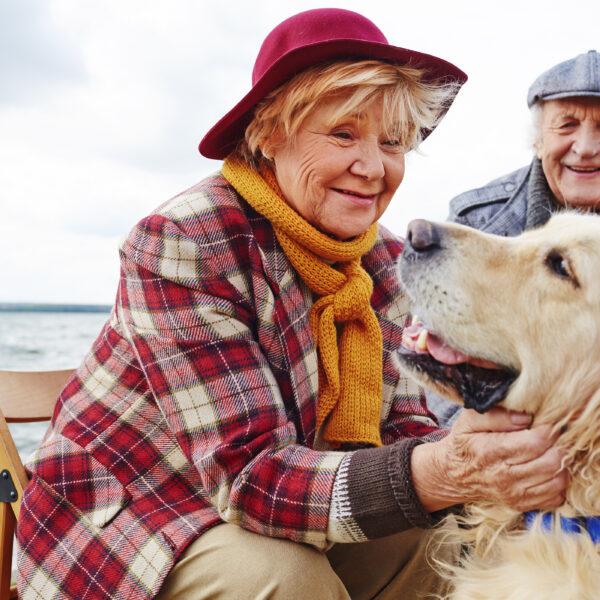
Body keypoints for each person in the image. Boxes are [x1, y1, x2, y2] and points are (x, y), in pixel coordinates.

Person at [16, 9, 568, 600]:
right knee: (284, 579)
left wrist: (481, 451)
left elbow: (402, 425)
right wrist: (444, 470)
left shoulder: (384, 259)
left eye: (393, 142)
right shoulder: (182, 241)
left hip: (285, 497)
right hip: (140, 510)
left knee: (445, 535)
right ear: (270, 132)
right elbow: (249, 478)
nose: (373, 167)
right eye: (343, 134)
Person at [429, 49, 600, 428]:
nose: (587, 148)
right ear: (538, 141)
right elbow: (436, 399)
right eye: (567, 125)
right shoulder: (477, 224)